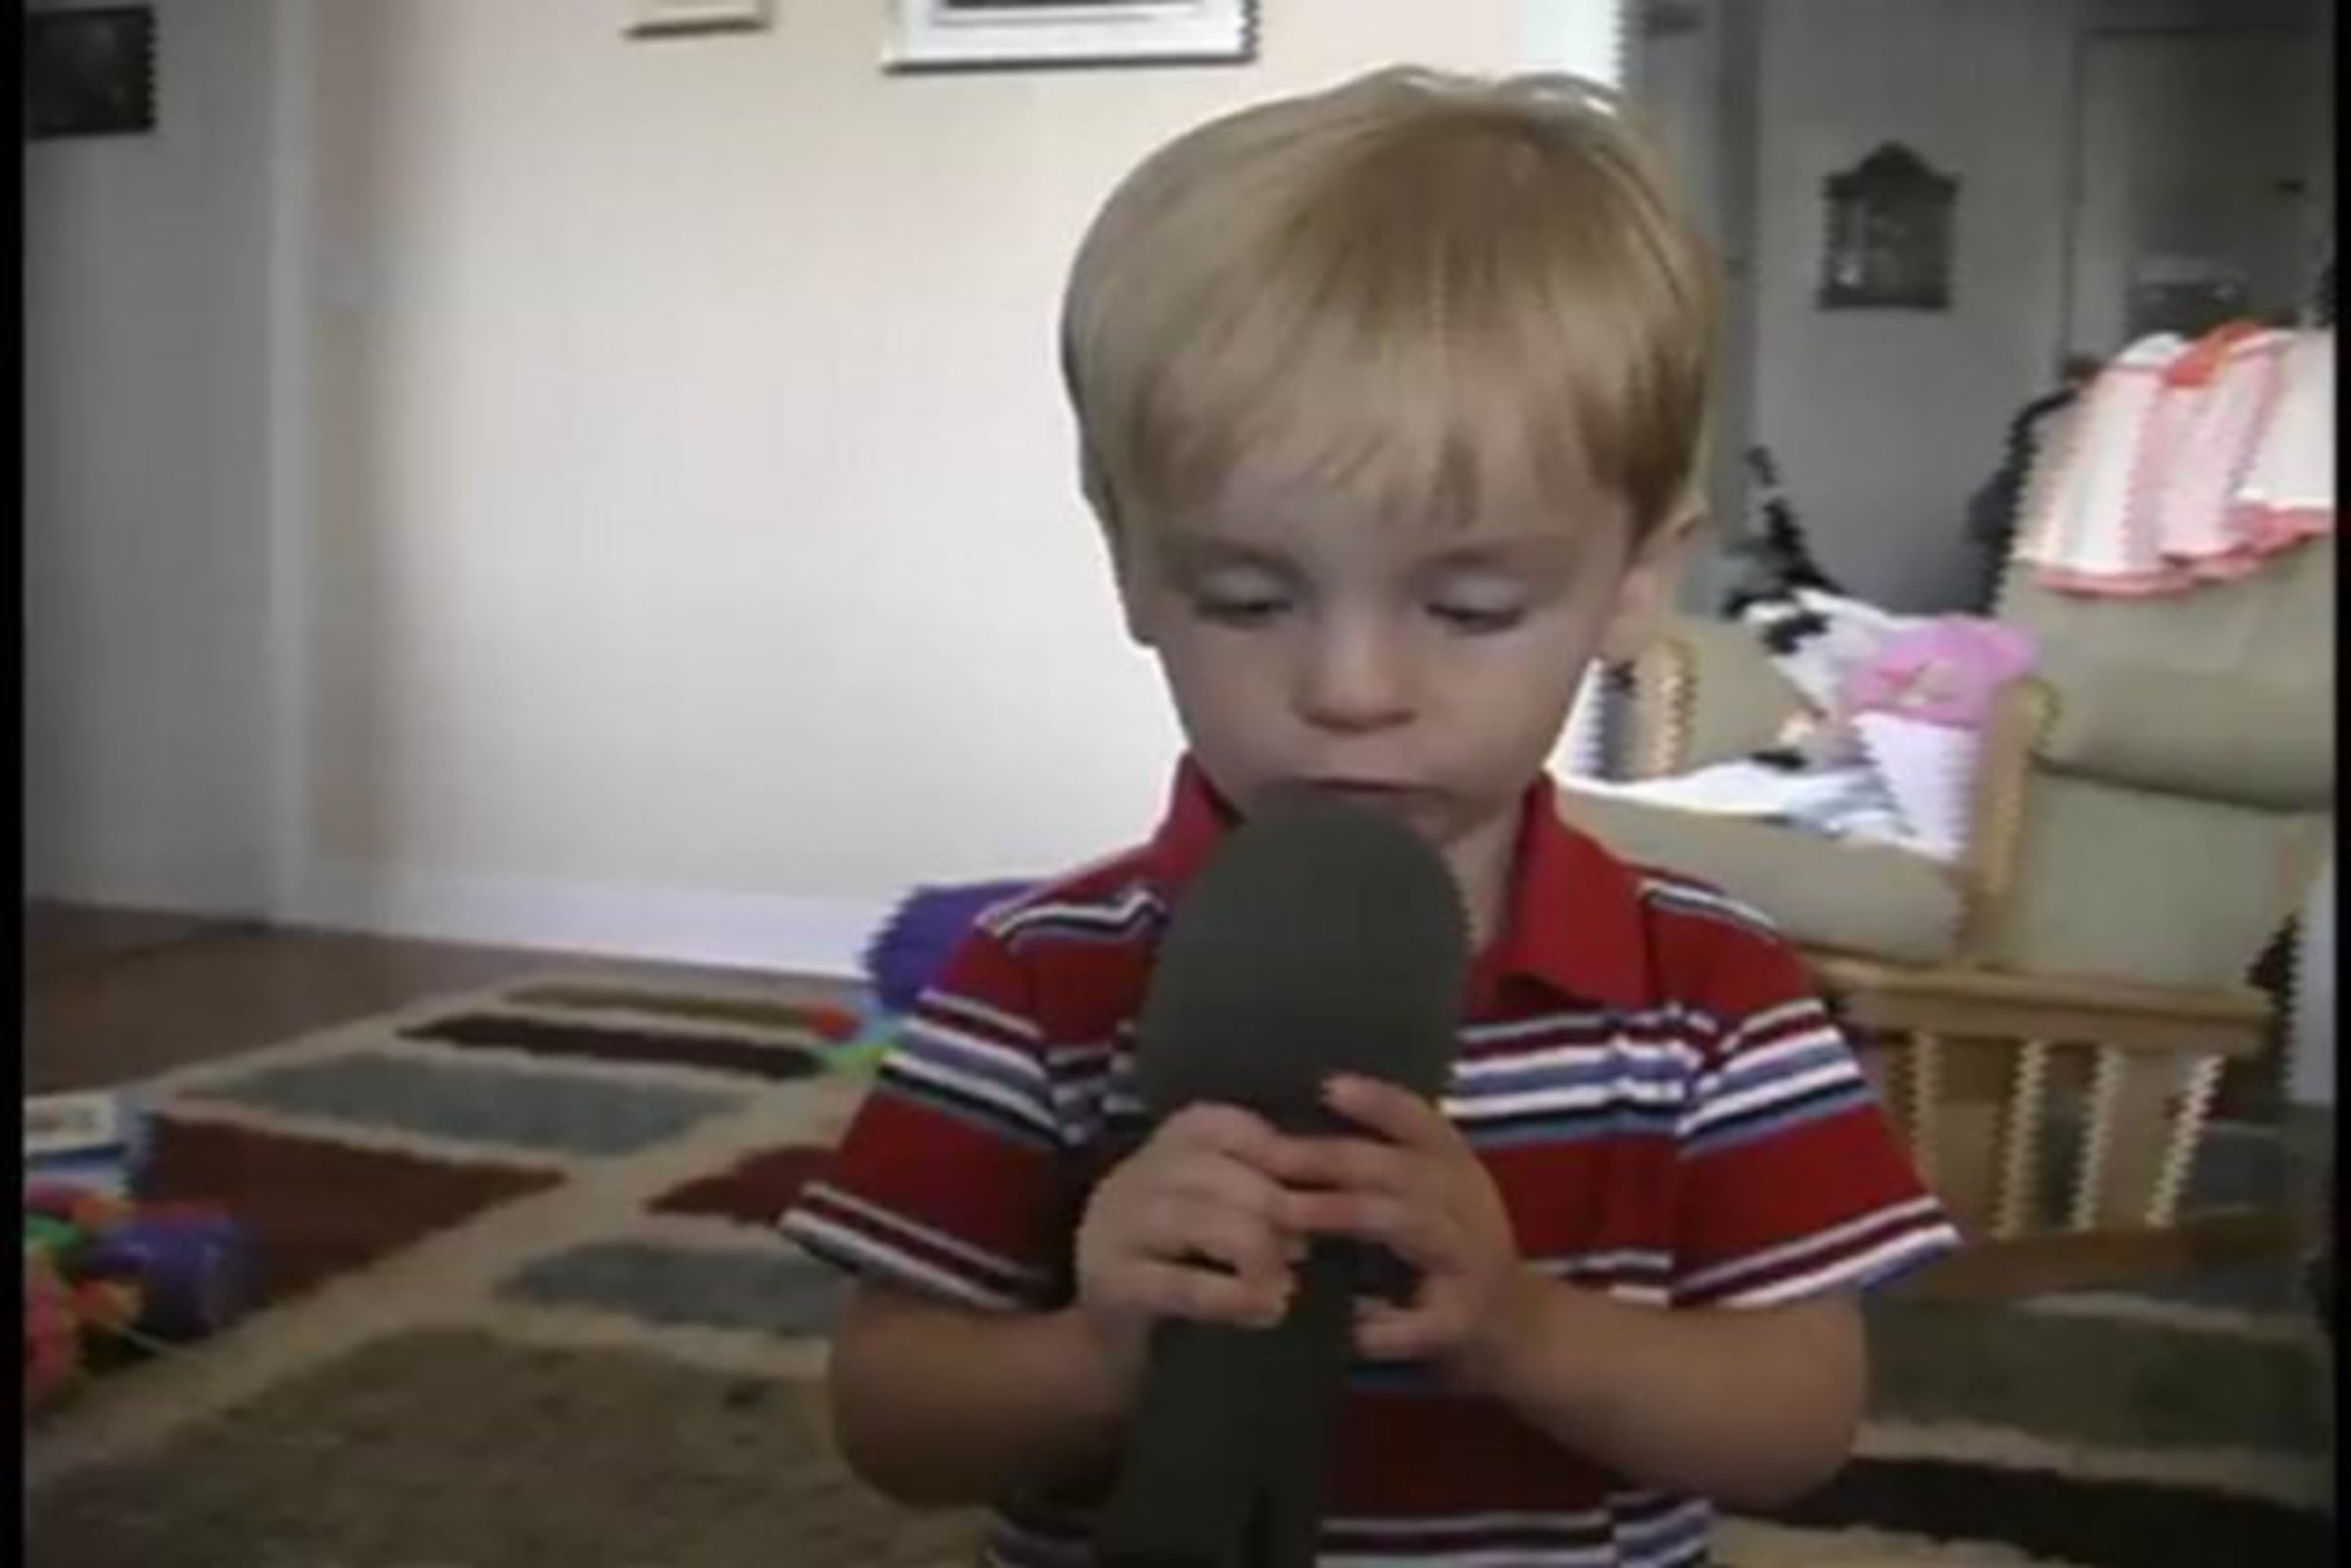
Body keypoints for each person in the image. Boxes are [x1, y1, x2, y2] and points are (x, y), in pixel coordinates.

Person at [781, 66, 1958, 1566]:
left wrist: (1522, 1325)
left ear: (1633, 583)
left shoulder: (1716, 991)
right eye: (1248, 597)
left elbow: (1796, 1427)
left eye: (1467, 607)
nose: (1350, 689)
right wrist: (1098, 1349)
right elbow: (891, 1422)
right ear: (1134, 568)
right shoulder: (1036, 978)